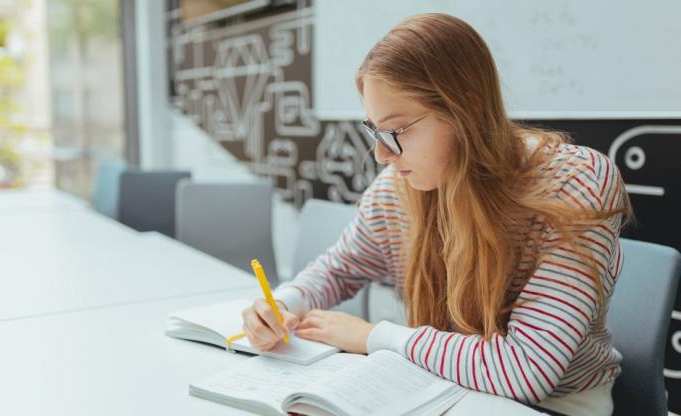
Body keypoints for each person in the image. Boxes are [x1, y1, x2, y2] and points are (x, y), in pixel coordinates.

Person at [241, 13, 632, 416]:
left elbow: (526, 370)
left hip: (555, 405)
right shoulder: (400, 187)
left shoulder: (576, 182)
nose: (382, 154)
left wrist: (375, 337)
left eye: (397, 130)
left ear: (467, 109)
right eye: (375, 131)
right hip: (438, 388)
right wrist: (285, 303)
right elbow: (338, 269)